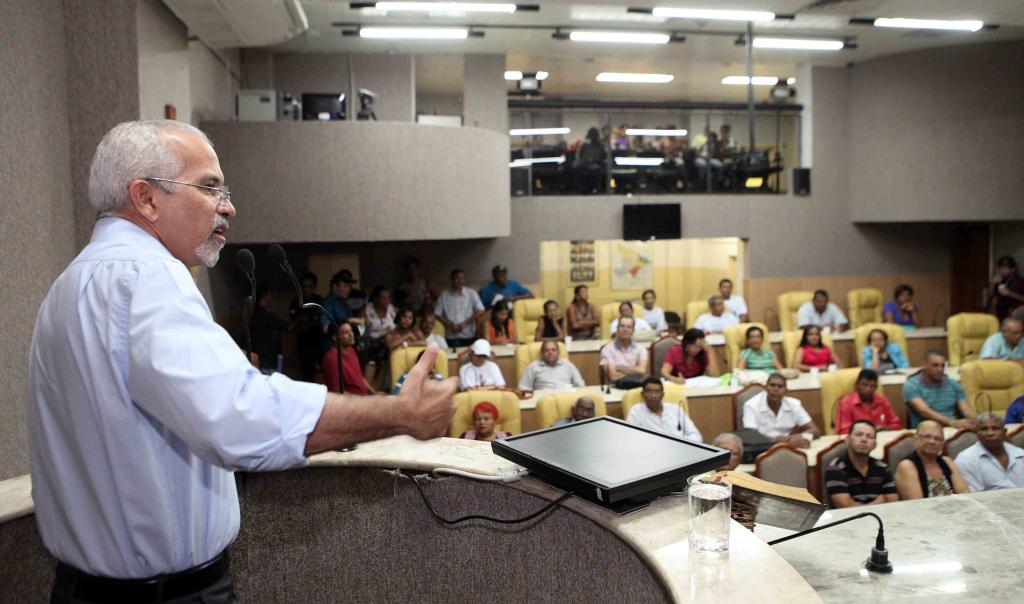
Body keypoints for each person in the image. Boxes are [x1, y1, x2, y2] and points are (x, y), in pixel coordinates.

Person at [28, 120, 456, 601]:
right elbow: (240, 418)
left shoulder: (69, 285)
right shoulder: (145, 277)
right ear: (146, 198)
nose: (228, 206)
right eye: (210, 187)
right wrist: (400, 413)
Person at [824, 420, 900, 508]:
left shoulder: (882, 468)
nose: (864, 439)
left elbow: (893, 503)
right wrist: (879, 501)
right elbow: (846, 507)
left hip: (883, 516)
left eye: (869, 436)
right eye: (858, 434)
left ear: (875, 445)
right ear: (847, 440)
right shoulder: (835, 469)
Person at [894, 420, 969, 499]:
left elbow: (964, 493)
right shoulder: (907, 466)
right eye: (927, 437)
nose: (932, 441)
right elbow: (916, 503)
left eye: (937, 439)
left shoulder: (947, 461)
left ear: (942, 443)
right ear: (916, 438)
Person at [742, 373, 821, 448]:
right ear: (766, 387)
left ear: (786, 390)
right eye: (772, 385)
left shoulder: (794, 404)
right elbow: (751, 436)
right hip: (761, 447)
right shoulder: (751, 405)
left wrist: (794, 438)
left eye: (780, 386)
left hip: (789, 445)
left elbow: (815, 430)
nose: (776, 389)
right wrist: (776, 440)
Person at [904, 350, 976, 428]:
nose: (940, 369)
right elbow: (924, 411)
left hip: (952, 429)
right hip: (926, 430)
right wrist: (952, 423)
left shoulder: (953, 384)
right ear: (924, 365)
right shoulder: (912, 385)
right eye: (935, 365)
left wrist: (979, 422)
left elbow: (966, 410)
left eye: (943, 366)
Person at [954, 413, 1024, 491]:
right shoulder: (965, 460)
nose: (990, 433)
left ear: (1004, 432)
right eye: (984, 429)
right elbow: (973, 496)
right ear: (976, 433)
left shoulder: (1020, 454)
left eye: (995, 428)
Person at [625, 377, 702, 441]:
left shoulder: (676, 409)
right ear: (642, 394)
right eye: (649, 391)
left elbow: (695, 435)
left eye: (657, 392)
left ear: (662, 395)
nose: (653, 396)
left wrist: (683, 445)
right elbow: (631, 438)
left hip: (679, 448)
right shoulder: (636, 411)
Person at [835, 369, 904, 434]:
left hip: (883, 438)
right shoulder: (846, 403)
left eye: (872, 386)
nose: (868, 389)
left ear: (876, 387)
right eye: (864, 385)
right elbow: (843, 430)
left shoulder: (883, 402)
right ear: (857, 385)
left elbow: (897, 424)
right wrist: (868, 431)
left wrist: (886, 428)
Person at [435, 269, 486, 348]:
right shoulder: (444, 295)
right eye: (457, 278)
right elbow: (437, 313)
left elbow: (481, 310)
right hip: (451, 335)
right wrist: (449, 324)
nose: (460, 281)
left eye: (462, 278)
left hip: (468, 335)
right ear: (451, 279)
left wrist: (466, 322)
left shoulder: (471, 293)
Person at [289, 271, 324, 381]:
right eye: (305, 286)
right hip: (303, 345)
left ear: (314, 286)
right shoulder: (296, 302)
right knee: (307, 376)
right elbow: (293, 327)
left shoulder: (319, 300)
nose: (307, 289)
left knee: (323, 375)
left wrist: (309, 321)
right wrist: (302, 320)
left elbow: (321, 321)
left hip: (319, 344)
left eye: (310, 286)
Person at [323, 322, 375, 395]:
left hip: (363, 398)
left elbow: (360, 377)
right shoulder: (331, 359)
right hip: (352, 401)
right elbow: (337, 391)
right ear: (335, 338)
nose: (351, 334)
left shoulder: (351, 350)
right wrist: (364, 400)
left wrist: (374, 393)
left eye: (351, 330)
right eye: (346, 333)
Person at [518, 340, 585, 391]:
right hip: (544, 400)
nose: (550, 352)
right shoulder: (533, 367)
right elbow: (523, 387)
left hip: (565, 397)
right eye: (547, 350)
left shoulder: (568, 365)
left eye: (553, 350)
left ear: (558, 352)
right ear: (542, 353)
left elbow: (580, 385)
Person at [320, 269, 363, 348]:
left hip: (346, 347)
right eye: (345, 286)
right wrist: (351, 320)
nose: (349, 289)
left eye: (349, 286)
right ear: (335, 286)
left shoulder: (344, 303)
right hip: (333, 348)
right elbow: (326, 328)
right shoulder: (327, 303)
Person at [599, 317, 649, 382]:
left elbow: (642, 370)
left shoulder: (641, 349)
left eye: (629, 327)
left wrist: (618, 368)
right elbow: (613, 376)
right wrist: (634, 372)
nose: (625, 329)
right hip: (616, 386)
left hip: (637, 385)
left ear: (633, 331)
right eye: (622, 326)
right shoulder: (607, 349)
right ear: (617, 329)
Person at [250, 284, 287, 372]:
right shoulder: (268, 316)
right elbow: (287, 327)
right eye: (270, 294)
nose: (271, 297)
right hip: (269, 362)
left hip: (259, 361)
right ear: (265, 296)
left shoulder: (253, 315)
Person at [363, 285, 397, 379]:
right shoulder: (367, 309)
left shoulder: (392, 309)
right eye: (383, 298)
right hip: (371, 345)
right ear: (375, 299)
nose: (387, 300)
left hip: (389, 344)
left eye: (388, 297)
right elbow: (360, 328)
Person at [988, 256, 1024, 321]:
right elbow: (990, 295)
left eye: (1004, 268)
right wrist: (992, 284)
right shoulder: (1001, 279)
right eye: (1000, 268)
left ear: (1013, 269)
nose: (1001, 271)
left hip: (1013, 313)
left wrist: (1010, 293)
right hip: (999, 312)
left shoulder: (1020, 281)